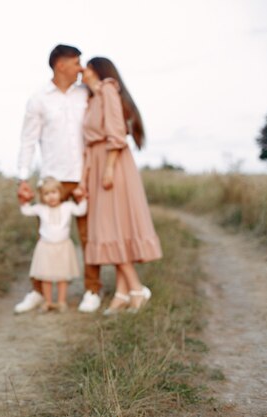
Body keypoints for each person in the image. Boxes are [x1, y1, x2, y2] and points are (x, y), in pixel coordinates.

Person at [15, 44, 103, 314]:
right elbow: (28, 140)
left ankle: (92, 290)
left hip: (84, 177)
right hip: (52, 180)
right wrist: (23, 178)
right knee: (46, 238)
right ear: (61, 65)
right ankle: (38, 292)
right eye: (77, 63)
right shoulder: (39, 98)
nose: (81, 68)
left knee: (89, 238)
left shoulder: (85, 95)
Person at [76, 57, 163, 314]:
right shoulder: (93, 98)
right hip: (98, 163)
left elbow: (116, 132)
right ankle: (124, 293)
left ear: (95, 71)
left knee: (111, 228)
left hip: (112, 164)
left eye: (86, 67)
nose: (82, 71)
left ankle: (136, 289)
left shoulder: (108, 90)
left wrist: (110, 168)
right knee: (112, 230)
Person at [20, 177, 87, 313]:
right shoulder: (40, 209)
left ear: (60, 193)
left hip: (63, 246)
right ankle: (48, 302)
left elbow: (81, 211)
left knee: (62, 276)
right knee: (46, 277)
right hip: (45, 247)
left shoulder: (67, 207)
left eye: (54, 192)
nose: (51, 197)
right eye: (46, 194)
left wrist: (82, 198)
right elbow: (26, 211)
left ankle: (61, 302)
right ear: (42, 196)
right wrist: (24, 200)